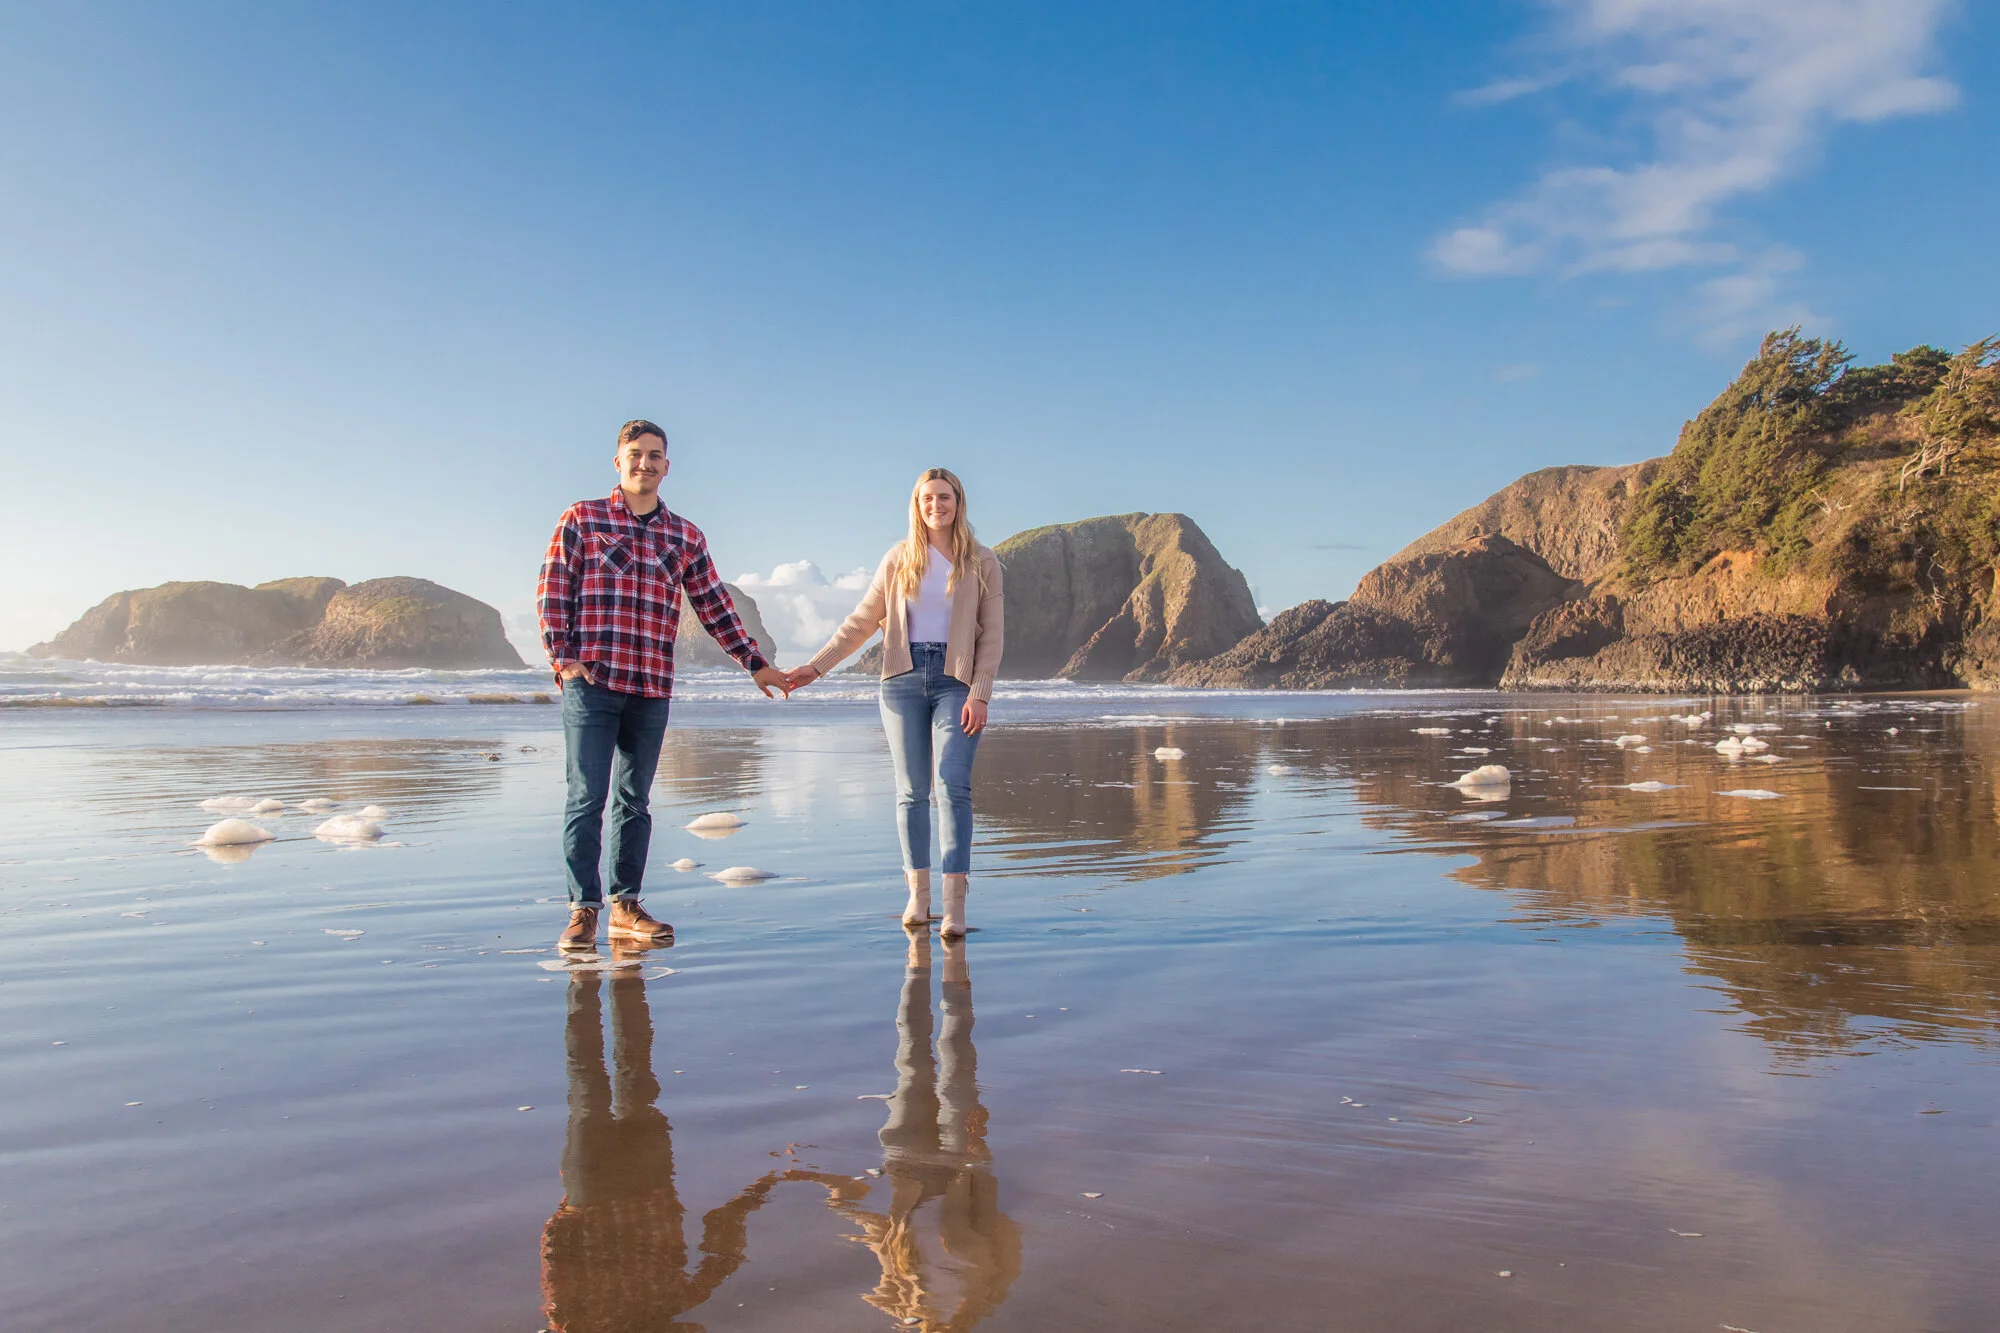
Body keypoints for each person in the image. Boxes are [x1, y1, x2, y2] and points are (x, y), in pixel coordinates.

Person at [538, 419, 791, 950]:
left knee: (635, 799)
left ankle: (625, 906)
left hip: (651, 685)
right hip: (593, 682)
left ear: (667, 467)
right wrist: (563, 660)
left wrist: (754, 662)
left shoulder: (685, 535)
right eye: (635, 454)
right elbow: (554, 590)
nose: (644, 464)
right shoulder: (583, 519)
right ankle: (582, 910)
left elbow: (713, 605)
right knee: (586, 796)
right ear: (618, 461)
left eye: (654, 456)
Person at [783, 468, 1004, 935]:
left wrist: (980, 693)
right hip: (900, 679)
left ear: (958, 502)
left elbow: (994, 635)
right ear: (916, 504)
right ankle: (918, 899)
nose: (935, 506)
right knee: (910, 791)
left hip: (956, 680)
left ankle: (955, 905)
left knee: (953, 786)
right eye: (927, 498)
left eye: (944, 497)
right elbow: (862, 620)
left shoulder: (982, 561)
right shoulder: (898, 558)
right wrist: (816, 666)